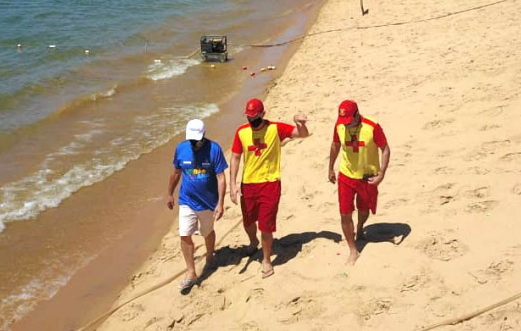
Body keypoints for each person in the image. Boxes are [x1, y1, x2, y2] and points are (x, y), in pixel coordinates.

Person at [230, 98, 309, 279]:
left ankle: (266, 259)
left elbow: (301, 134)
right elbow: (235, 157)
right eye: (248, 117)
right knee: (248, 221)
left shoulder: (275, 128)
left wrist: (300, 123)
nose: (251, 120)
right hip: (248, 184)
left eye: (255, 116)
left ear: (263, 114)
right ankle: (252, 242)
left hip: (270, 183)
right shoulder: (241, 132)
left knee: (266, 225)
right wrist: (233, 184)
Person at [166, 119, 227, 293]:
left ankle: (210, 254)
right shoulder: (181, 149)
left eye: (197, 140)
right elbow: (176, 173)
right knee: (184, 234)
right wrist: (170, 193)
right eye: (191, 139)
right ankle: (191, 271)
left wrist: (220, 203)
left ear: (204, 135)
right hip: (186, 200)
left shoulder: (214, 149)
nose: (194, 143)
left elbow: (221, 178)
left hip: (208, 202)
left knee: (207, 231)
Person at [327, 100, 390, 265]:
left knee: (364, 209)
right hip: (346, 176)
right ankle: (353, 250)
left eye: (349, 121)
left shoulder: (372, 126)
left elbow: (385, 149)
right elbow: (335, 145)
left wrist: (382, 174)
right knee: (344, 213)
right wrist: (330, 168)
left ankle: (360, 227)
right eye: (343, 121)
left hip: (367, 177)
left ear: (357, 115)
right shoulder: (340, 126)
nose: (346, 125)